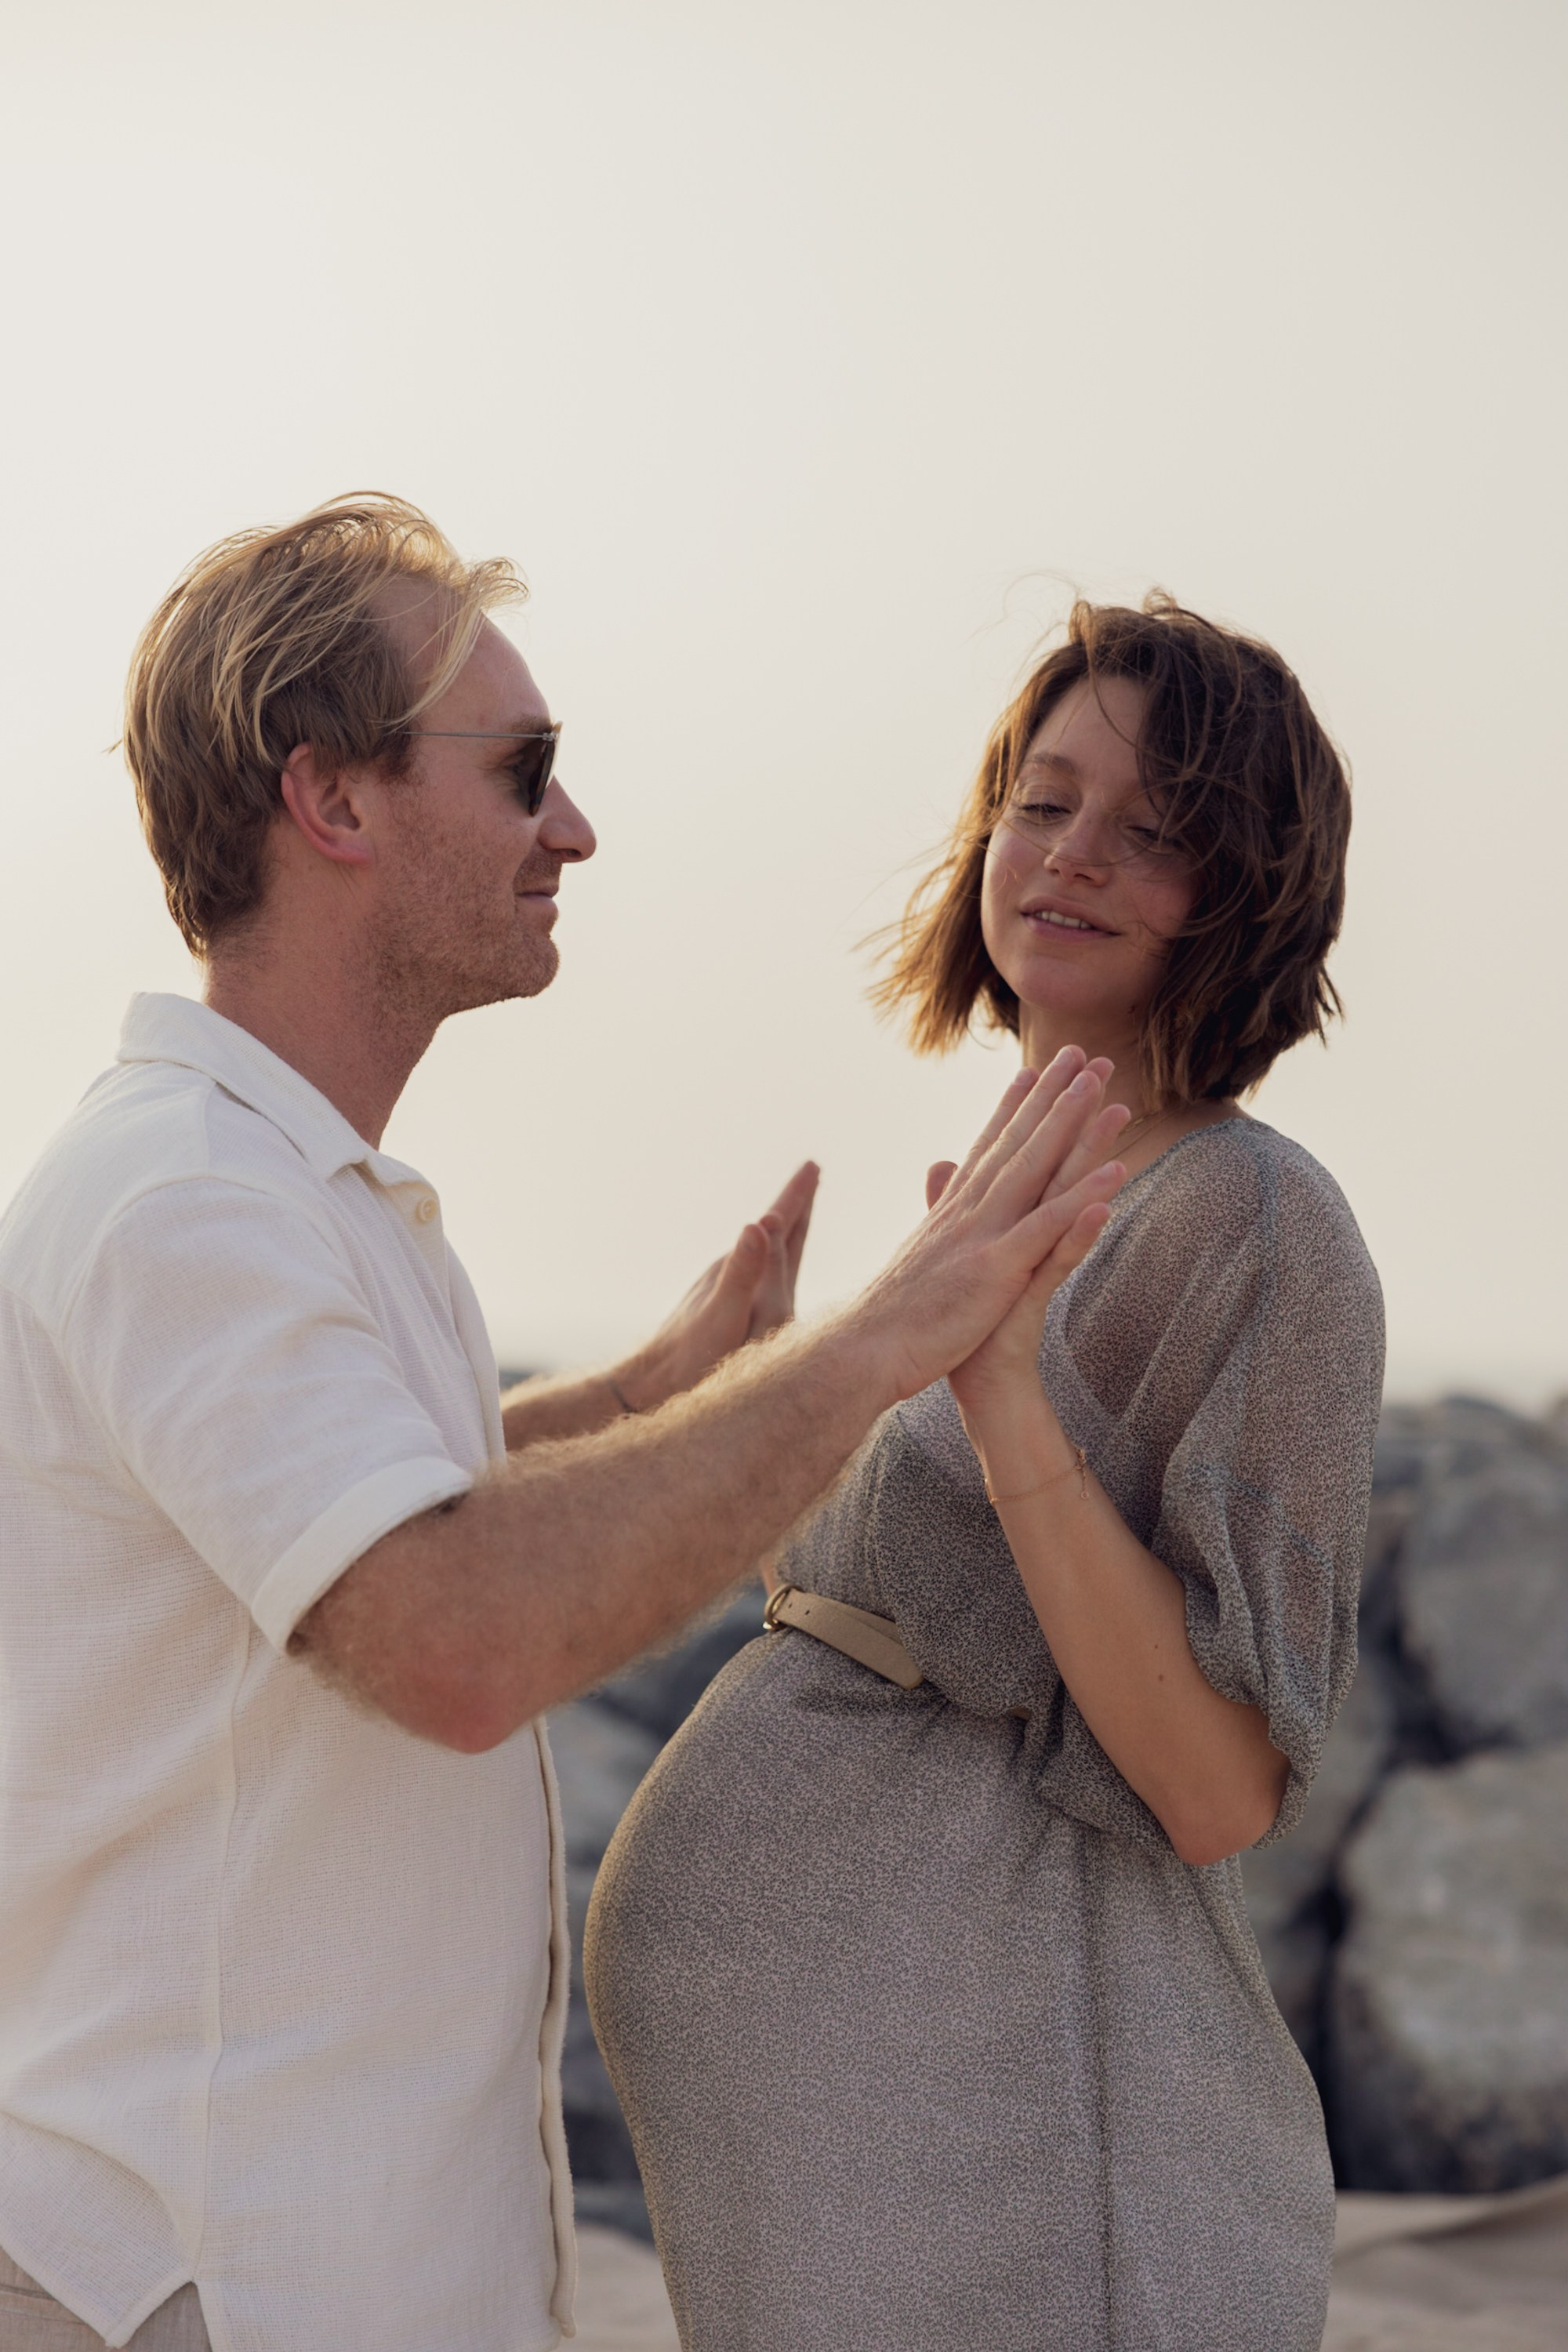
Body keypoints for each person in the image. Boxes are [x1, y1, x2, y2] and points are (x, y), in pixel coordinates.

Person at [0, 496, 1129, 2352]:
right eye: (522, 770)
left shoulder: (302, 1196)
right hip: (223, 2283)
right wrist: (879, 1342)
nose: (574, 827)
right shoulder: (185, 1203)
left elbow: (341, 1524)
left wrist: (646, 1402)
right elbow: (446, 1636)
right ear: (332, 800)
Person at [586, 594, 1385, 2351]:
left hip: (1026, 2153)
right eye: (1043, 802)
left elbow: (1216, 1789)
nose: (1072, 853)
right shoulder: (1013, 1191)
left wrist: (1002, 1395)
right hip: (845, 2155)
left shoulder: (1257, 1225)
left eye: (1153, 829)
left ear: (1248, 885)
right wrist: (733, 1388)